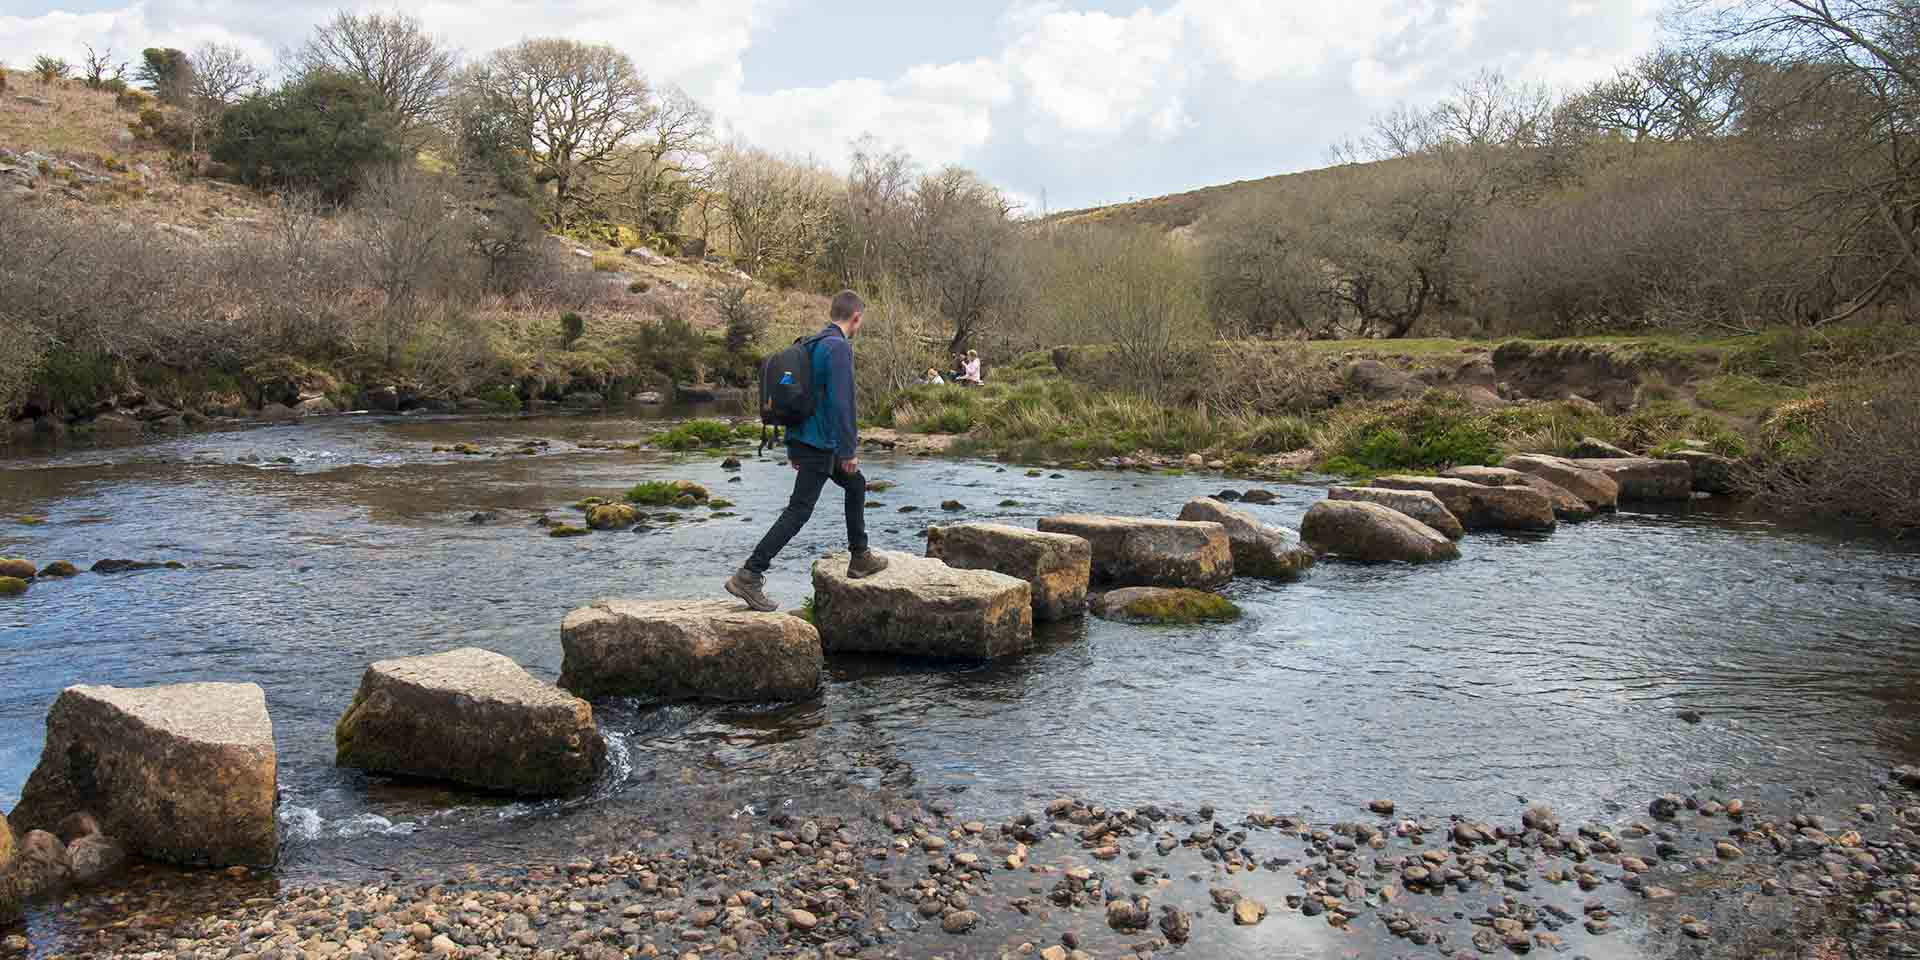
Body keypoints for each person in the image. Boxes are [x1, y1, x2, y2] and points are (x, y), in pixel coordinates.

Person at [726, 291, 887, 611]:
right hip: (821, 444)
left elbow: (798, 398)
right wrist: (848, 450)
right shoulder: (838, 348)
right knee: (798, 511)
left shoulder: (810, 344)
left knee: (855, 484)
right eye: (861, 320)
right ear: (856, 317)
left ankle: (860, 557)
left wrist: (792, 446)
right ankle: (749, 574)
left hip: (806, 440)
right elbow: (843, 404)